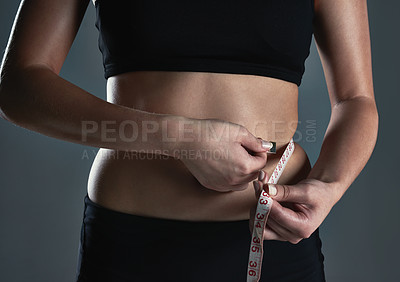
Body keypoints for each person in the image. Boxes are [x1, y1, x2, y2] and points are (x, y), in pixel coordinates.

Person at [0, 0, 378, 281]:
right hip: (132, 243)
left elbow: (356, 100)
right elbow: (19, 85)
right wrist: (180, 139)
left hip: (275, 241)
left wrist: (328, 187)